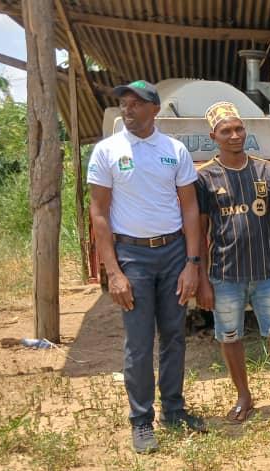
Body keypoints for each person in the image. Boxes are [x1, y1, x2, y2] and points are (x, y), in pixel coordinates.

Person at [87, 80, 205, 453]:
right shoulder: (107, 150)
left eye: (136, 103)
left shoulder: (174, 150)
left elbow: (190, 207)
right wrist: (113, 272)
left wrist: (192, 263)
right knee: (138, 343)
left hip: (172, 253)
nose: (128, 109)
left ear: (155, 109)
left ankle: (174, 410)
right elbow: (99, 213)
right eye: (124, 103)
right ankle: (141, 420)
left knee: (174, 336)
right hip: (132, 256)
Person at [194, 102, 270, 423]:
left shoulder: (267, 171)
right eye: (226, 131)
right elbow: (200, 231)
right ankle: (243, 396)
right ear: (213, 136)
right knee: (230, 336)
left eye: (239, 129)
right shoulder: (204, 177)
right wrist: (202, 279)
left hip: (267, 272)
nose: (234, 135)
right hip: (225, 275)